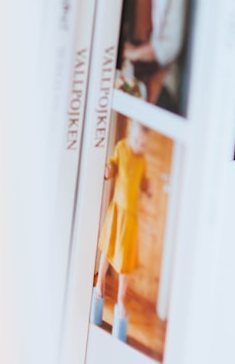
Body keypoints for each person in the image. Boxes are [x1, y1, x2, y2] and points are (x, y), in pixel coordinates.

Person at [91, 120, 152, 342]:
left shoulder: (142, 159)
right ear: (129, 136)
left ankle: (121, 301)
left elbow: (142, 181)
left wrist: (148, 188)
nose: (138, 147)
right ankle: (99, 284)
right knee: (107, 248)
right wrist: (108, 171)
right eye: (136, 141)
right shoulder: (122, 149)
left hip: (131, 218)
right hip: (118, 211)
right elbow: (113, 166)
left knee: (125, 263)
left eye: (143, 144)